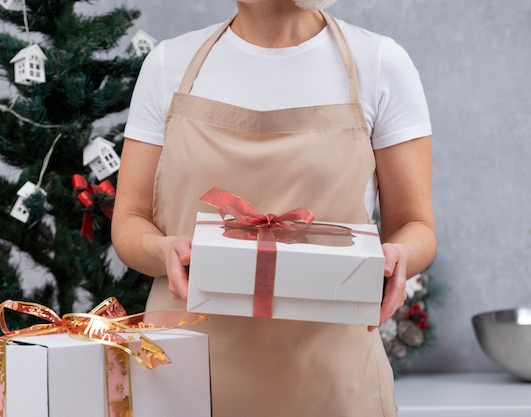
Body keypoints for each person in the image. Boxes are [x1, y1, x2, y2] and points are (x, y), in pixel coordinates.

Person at [111, 0, 437, 415]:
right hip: (181, 378)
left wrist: (399, 255)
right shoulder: (167, 65)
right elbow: (129, 221)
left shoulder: (379, 64)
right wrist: (163, 251)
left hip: (333, 383)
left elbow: (415, 224)